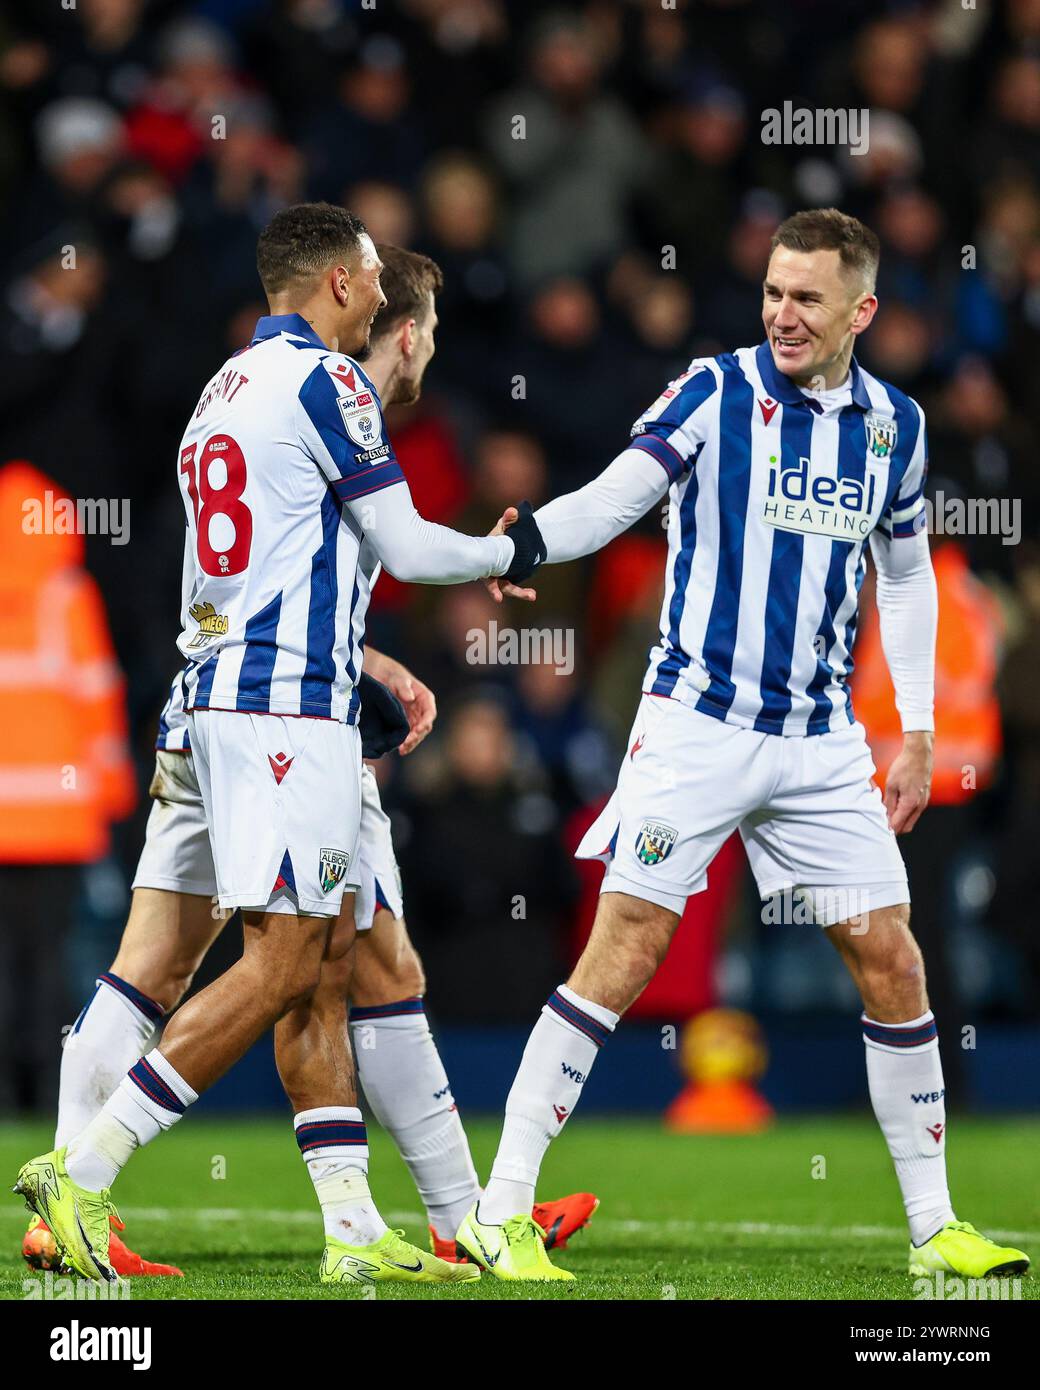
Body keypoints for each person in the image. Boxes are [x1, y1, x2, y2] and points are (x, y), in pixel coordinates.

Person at [457, 208, 1030, 1283]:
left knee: (893, 961)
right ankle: (499, 1211)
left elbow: (902, 577)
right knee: (621, 953)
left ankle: (931, 1231)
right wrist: (527, 534)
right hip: (696, 724)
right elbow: (618, 498)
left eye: (806, 297)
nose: (781, 314)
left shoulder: (892, 427)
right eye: (771, 291)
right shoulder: (714, 392)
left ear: (860, 309)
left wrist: (912, 730)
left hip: (818, 741)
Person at [23, 244, 594, 1277]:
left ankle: (359, 1229)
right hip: (288, 718)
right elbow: (410, 547)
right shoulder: (332, 387)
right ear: (359, 295)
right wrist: (510, 552)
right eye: (372, 279)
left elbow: (236, 573)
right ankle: (81, 1177)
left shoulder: (225, 384)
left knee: (264, 963)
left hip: (213, 699)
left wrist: (359, 652)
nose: (380, 300)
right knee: (294, 964)